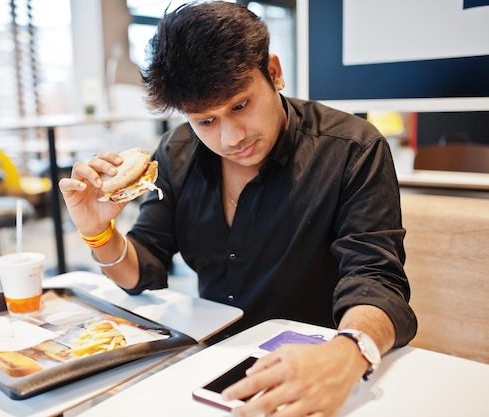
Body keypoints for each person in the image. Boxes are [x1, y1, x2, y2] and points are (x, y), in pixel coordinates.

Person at [59, 2, 417, 416]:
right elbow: (143, 269)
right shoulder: (177, 152)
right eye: (205, 121)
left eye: (240, 105)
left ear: (275, 73)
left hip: (318, 363)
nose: (230, 137)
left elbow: (377, 279)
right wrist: (99, 232)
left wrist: (347, 353)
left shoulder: (352, 148)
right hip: (210, 363)